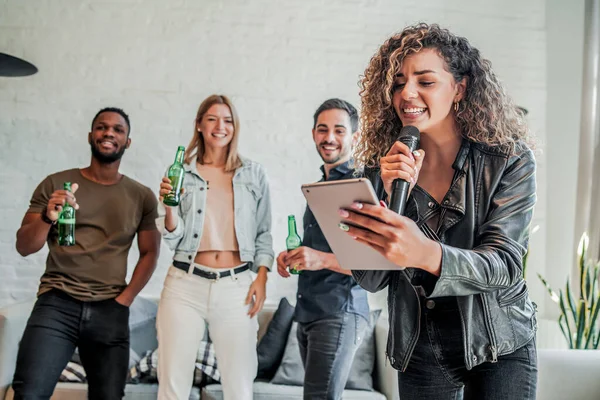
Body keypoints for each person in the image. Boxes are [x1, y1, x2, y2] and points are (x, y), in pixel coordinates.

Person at [342, 23, 538, 399]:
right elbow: (370, 279)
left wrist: (424, 253)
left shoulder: (508, 159)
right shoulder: (379, 169)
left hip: (499, 341)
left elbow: (505, 266)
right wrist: (385, 199)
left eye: (425, 81)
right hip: (420, 345)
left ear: (459, 88)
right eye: (398, 82)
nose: (407, 93)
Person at [13, 107, 161, 400]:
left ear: (127, 141)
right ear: (91, 136)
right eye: (102, 127)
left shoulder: (141, 196)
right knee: (29, 393)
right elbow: (24, 246)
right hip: (57, 305)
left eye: (118, 129)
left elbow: (150, 253)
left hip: (111, 309)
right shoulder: (56, 184)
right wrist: (47, 216)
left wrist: (124, 300)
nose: (109, 133)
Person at [156, 94, 274, 400]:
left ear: (235, 127)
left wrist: (261, 277)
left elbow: (263, 232)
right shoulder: (181, 171)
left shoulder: (253, 174)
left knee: (239, 388)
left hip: (236, 287)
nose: (220, 126)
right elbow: (173, 237)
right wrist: (168, 206)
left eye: (227, 120)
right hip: (185, 285)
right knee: (173, 387)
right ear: (199, 125)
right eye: (212, 119)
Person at [276, 98, 370, 400]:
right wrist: (294, 256)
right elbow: (319, 250)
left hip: (340, 310)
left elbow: (373, 262)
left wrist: (319, 259)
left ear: (355, 137)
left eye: (339, 130)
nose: (329, 137)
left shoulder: (363, 185)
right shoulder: (318, 187)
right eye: (322, 129)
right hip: (309, 310)